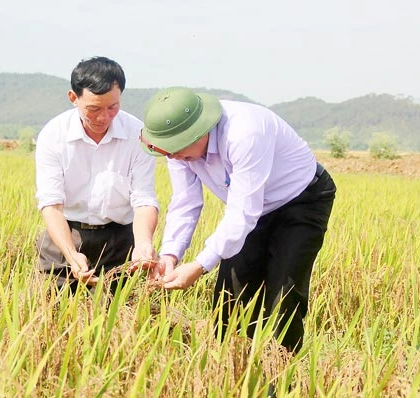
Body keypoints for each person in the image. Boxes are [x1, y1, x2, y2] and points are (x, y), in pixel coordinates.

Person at [140, 86, 336, 352]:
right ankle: (229, 372)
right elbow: (186, 202)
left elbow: (243, 212)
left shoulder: (244, 133)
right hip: (253, 206)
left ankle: (280, 378)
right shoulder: (176, 149)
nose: (173, 157)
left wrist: (199, 266)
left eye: (177, 150)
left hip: (300, 200)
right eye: (168, 152)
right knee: (229, 296)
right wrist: (170, 255)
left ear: (200, 131)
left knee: (283, 297)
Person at [35, 56, 159, 292]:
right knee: (51, 311)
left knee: (115, 315)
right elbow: (51, 204)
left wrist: (143, 244)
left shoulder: (137, 135)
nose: (104, 118)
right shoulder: (53, 135)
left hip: (119, 240)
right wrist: (71, 254)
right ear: (73, 98)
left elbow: (143, 199)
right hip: (66, 235)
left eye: (113, 107)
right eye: (93, 109)